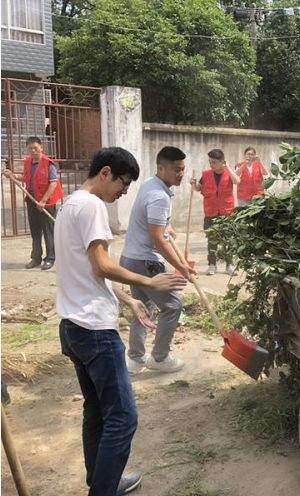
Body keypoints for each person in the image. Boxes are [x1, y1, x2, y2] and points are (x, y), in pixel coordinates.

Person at [55, 147, 187, 496]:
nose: (124, 191)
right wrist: (146, 283)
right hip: (95, 331)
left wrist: (127, 299)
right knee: (124, 418)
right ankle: (103, 489)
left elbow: (88, 271)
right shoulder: (94, 206)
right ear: (106, 173)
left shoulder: (70, 204)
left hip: (71, 326)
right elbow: (101, 265)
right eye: (123, 183)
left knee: (97, 410)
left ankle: (102, 481)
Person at [120, 146, 197, 375]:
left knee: (143, 306)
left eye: (182, 169)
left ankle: (135, 358)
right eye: (176, 170)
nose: (180, 174)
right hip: (145, 261)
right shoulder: (159, 196)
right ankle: (160, 358)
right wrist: (181, 267)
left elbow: (155, 225)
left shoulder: (150, 185)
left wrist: (166, 226)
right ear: (161, 168)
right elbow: (158, 240)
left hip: (131, 258)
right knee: (173, 305)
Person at [2, 136, 64, 270]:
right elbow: (26, 178)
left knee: (48, 231)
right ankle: (36, 258)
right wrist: (12, 175)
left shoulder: (48, 164)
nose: (33, 151)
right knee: (35, 231)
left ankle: (50, 258)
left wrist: (43, 201)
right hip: (32, 201)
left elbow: (53, 184)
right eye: (30, 149)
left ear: (41, 148)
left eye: (36, 148)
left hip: (46, 202)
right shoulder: (28, 162)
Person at [191, 148, 240, 276]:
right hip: (210, 212)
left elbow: (237, 181)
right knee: (212, 241)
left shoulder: (229, 174)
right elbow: (198, 188)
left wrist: (227, 167)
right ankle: (212, 265)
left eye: (213, 162)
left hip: (226, 213)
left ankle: (229, 265)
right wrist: (194, 184)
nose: (211, 164)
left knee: (227, 240)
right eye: (210, 162)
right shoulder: (206, 174)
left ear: (221, 162)